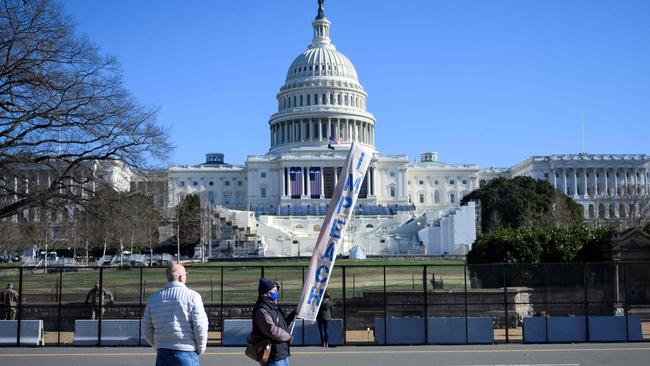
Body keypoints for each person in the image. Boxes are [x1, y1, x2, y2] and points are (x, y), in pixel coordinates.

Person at [143, 264, 208, 366]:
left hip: (162, 353)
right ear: (181, 277)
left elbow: (146, 329)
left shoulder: (153, 298)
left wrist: (158, 345)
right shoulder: (193, 297)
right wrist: (200, 348)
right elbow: (200, 326)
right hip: (187, 352)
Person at [251, 278, 296, 366]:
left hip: (281, 353)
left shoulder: (272, 307)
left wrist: (292, 316)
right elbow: (272, 330)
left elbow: (281, 326)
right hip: (272, 355)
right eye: (274, 290)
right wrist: (288, 337)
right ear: (265, 293)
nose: (276, 293)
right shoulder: (262, 309)